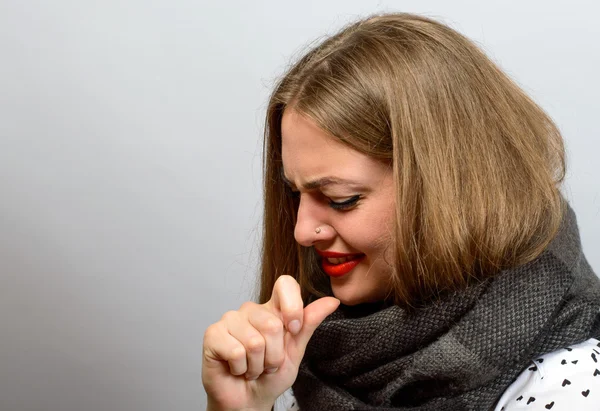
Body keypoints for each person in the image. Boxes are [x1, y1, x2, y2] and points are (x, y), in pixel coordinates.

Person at [202, 12, 600, 411]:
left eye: (342, 198)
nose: (302, 232)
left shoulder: (569, 385)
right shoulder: (335, 354)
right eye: (295, 194)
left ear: (450, 187)